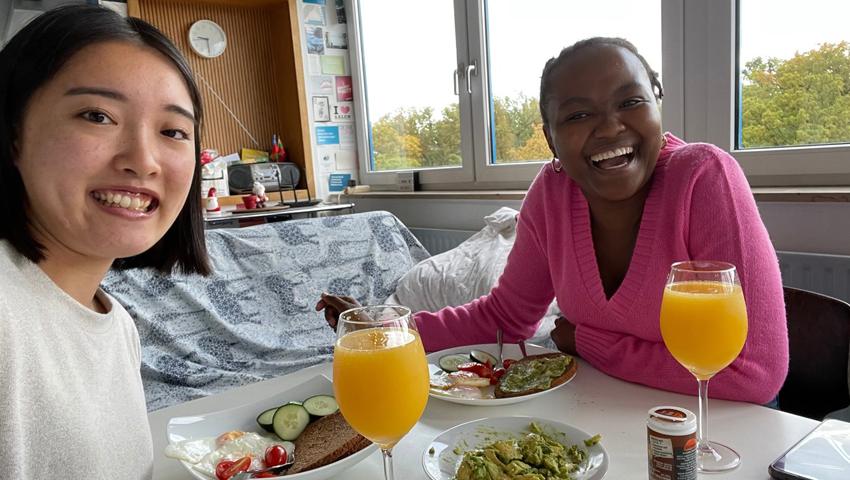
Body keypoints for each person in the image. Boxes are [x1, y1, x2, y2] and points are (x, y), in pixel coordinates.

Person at [317, 37, 788, 406]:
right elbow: (504, 318)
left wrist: (587, 341)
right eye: (579, 114)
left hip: (720, 431)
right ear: (550, 138)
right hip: (604, 416)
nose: (610, 127)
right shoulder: (552, 193)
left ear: (657, 103)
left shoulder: (703, 177)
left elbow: (753, 372)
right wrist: (388, 329)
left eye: (630, 102)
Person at [0, 5, 210, 478]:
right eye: (97, 116)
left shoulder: (117, 326)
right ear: (14, 135)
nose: (144, 160)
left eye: (173, 131)